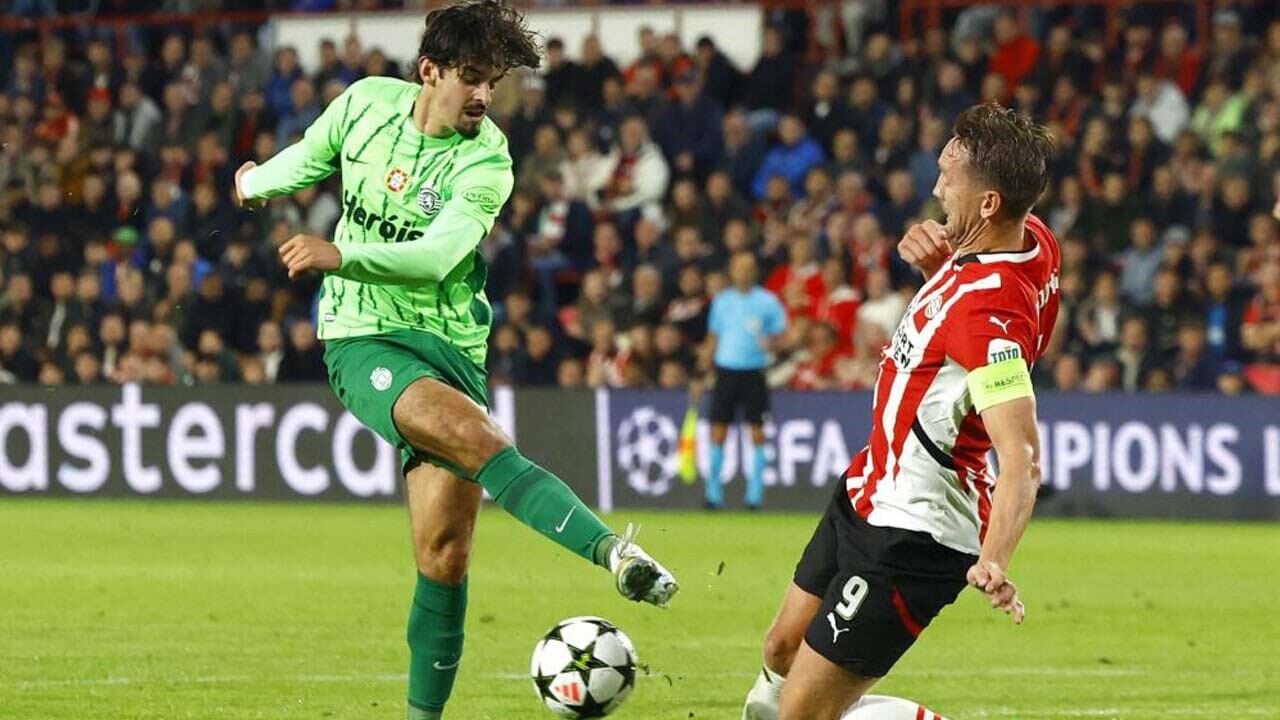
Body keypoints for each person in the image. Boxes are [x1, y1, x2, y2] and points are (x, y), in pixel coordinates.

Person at [230, 4, 679, 719]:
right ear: (429, 71)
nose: (483, 95)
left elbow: (437, 257)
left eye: (492, 82)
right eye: (471, 77)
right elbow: (309, 156)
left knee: (444, 556)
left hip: (453, 349)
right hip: (363, 335)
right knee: (477, 438)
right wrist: (252, 185)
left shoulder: (487, 160)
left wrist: (340, 253)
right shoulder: (364, 106)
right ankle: (613, 554)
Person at [742, 104, 1060, 720]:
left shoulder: (988, 318)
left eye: (949, 179)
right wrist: (943, 268)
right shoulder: (1033, 240)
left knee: (804, 712)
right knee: (780, 650)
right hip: (870, 484)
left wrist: (995, 559)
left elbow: (1021, 456)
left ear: (989, 203)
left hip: (914, 530)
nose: (936, 190)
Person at [703, 252, 787, 510]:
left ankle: (754, 496)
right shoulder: (722, 301)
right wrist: (703, 369)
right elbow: (713, 337)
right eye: (739, 268)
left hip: (754, 372)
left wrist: (771, 343)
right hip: (726, 370)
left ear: (755, 271)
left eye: (749, 268)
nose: (744, 273)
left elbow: (782, 335)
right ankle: (713, 494)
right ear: (732, 271)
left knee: (757, 432)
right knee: (718, 431)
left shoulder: (768, 302)